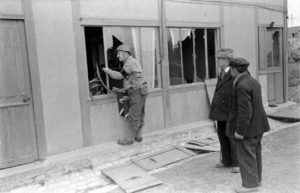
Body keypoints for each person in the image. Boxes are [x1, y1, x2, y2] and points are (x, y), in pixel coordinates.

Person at [226, 58, 270, 193]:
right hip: (259, 125)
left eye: (230, 69)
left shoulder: (241, 85)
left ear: (234, 69)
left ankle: (250, 186)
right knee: (255, 153)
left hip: (248, 128)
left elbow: (245, 111)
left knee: (246, 155)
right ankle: (256, 180)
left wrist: (240, 131)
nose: (230, 72)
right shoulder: (253, 81)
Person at [103, 44, 148, 145]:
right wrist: (121, 89)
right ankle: (138, 136)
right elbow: (130, 80)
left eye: (119, 54)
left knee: (133, 115)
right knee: (140, 114)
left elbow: (120, 76)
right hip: (140, 91)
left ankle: (129, 140)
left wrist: (108, 71)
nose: (117, 56)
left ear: (124, 53)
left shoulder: (129, 62)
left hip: (137, 92)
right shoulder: (131, 62)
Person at [209, 48, 239, 173]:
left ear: (227, 60)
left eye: (219, 59)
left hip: (229, 111)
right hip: (221, 111)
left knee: (232, 137)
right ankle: (226, 160)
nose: (217, 61)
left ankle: (236, 163)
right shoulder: (222, 72)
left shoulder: (233, 73)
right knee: (222, 136)